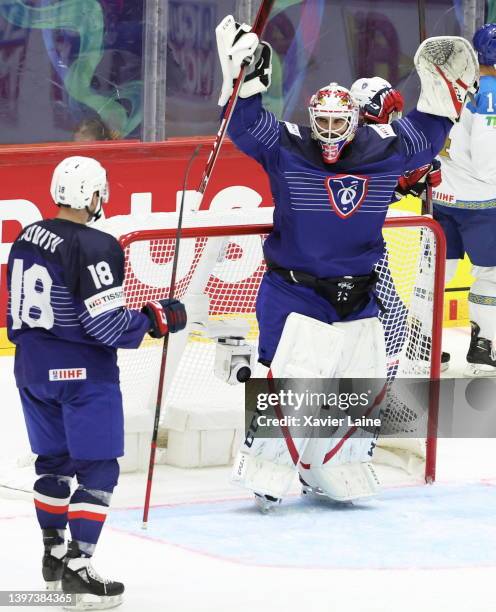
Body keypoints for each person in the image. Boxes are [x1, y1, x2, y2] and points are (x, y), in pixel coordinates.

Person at [215, 15, 477, 510]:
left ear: (354, 121)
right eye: (323, 123)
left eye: (339, 122)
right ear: (312, 121)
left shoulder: (384, 150)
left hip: (358, 291)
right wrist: (241, 81)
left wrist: (444, 93)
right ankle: (267, 468)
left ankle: (336, 463)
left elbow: (428, 130)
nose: (330, 131)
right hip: (294, 290)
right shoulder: (289, 147)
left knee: (362, 380)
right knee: (292, 381)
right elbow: (246, 126)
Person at [6, 156, 186, 608]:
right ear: (92, 195)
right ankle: (78, 565)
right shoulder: (97, 244)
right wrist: (155, 319)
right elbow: (104, 327)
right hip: (82, 374)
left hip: (30, 366)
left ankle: (52, 553)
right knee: (98, 468)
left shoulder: (27, 235)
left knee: (52, 461)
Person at [350, 76, 450, 373]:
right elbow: (356, 199)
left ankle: (374, 394)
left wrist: (405, 184)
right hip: (346, 252)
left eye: (395, 116)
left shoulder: (373, 143)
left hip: (365, 249)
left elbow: (368, 197)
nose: (392, 123)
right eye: (386, 116)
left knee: (391, 317)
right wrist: (405, 182)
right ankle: (370, 394)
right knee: (387, 318)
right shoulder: (348, 143)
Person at [432, 23, 496, 376]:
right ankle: (484, 347)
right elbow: (489, 165)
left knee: (439, 272)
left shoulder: (458, 83)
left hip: (444, 197)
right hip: (482, 205)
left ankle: (422, 345)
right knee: (492, 273)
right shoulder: (492, 93)